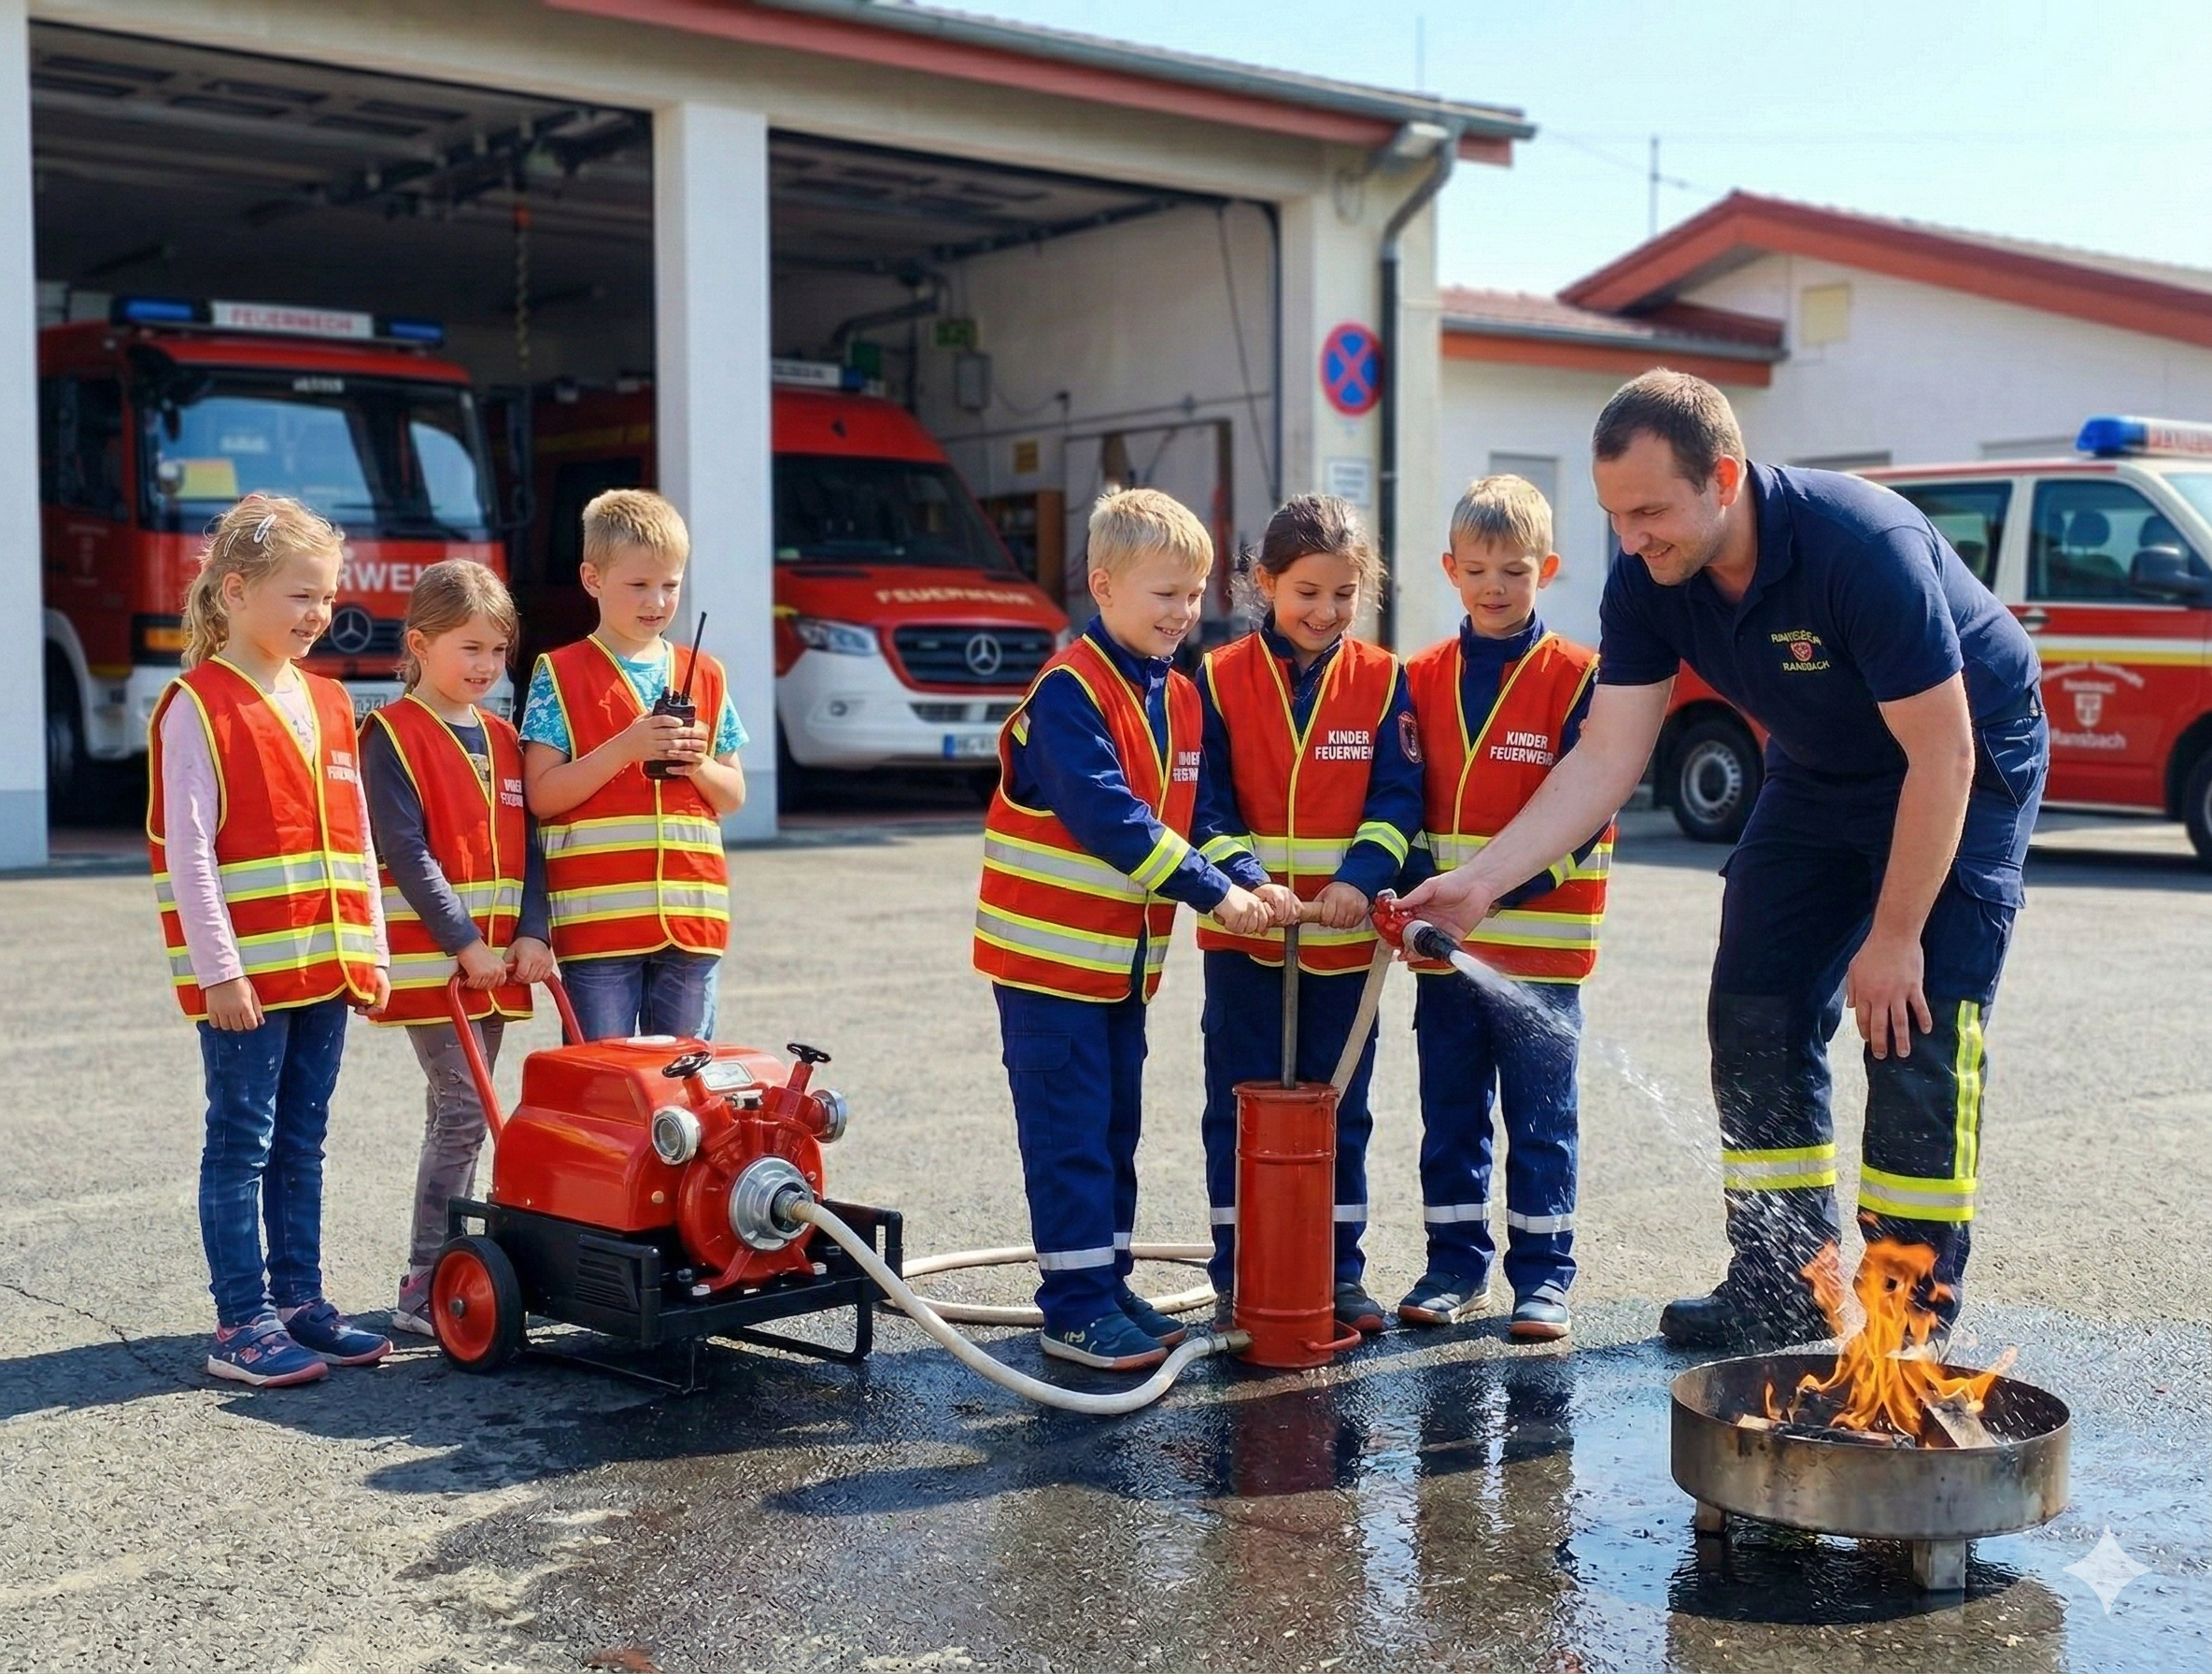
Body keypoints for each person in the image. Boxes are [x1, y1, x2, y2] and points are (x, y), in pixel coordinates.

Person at [1403, 371, 2047, 1350]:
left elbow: (1942, 753)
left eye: (1651, 511)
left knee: (1912, 1026)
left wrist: (1895, 933)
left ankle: (1904, 1325)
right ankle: (1781, 1283)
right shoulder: (1650, 576)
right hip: (1820, 768)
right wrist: (1481, 882)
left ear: (1724, 478)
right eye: (1616, 515)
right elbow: (1609, 757)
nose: (1631, 539)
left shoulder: (1860, 548)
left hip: (1966, 757)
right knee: (1753, 1010)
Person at [973, 488, 1274, 1372]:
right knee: (1068, 1142)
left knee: (1112, 1136)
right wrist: (1214, 895)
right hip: (1046, 969)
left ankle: (1105, 1285)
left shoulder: (1178, 698)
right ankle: (1072, 1308)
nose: (1184, 612)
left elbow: (1200, 809)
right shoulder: (1067, 693)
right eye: (1164, 594)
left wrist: (1248, 876)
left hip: (1117, 973)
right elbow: (1112, 820)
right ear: (1102, 588)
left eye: (1195, 593)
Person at [149, 494, 394, 1387]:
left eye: (325, 597)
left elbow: (358, 842)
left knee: (302, 1141)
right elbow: (190, 856)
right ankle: (240, 1322)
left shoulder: (330, 703)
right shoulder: (196, 706)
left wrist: (370, 953)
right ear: (235, 591)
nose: (317, 614)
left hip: (325, 974)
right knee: (241, 1142)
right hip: (247, 985)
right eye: (299, 596)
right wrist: (220, 972)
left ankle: (298, 1301)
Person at [1193, 494, 1421, 1337]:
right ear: (1265, 584)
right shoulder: (1215, 678)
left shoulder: (1384, 680)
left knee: (1340, 1114)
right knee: (1236, 1111)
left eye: (1344, 594)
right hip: (1243, 939)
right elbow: (1203, 805)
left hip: (1343, 943)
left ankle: (1339, 1272)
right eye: (1307, 593)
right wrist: (1248, 882)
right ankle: (1237, 1277)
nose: (1326, 612)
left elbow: (1400, 800)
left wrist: (1361, 878)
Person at [1397, 475, 1610, 1342]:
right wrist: (1416, 901)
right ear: (1450, 569)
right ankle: (1453, 1267)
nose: (1494, 586)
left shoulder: (1580, 679)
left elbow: (1588, 820)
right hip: (1444, 958)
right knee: (1450, 1118)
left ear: (1547, 570)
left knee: (1541, 1124)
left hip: (1542, 962)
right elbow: (1399, 802)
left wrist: (1490, 897)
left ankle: (1544, 1279)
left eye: (1514, 571)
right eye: (1478, 568)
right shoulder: (1417, 679)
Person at [361, 560, 557, 1336]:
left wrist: (533, 930)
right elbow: (407, 854)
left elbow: (533, 847)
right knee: (462, 1111)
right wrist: (467, 943)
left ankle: (463, 1261)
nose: (485, 667)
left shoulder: (505, 739)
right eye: (469, 648)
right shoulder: (391, 736)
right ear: (419, 643)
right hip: (441, 968)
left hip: (497, 968)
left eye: (497, 651)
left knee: (473, 1112)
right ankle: (424, 1275)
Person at [521, 489, 746, 1042]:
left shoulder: (707, 672)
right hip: (599, 928)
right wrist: (625, 747)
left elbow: (733, 792)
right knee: (610, 1090)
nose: (659, 601)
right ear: (592, 579)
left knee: (685, 1095)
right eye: (639, 585)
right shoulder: (560, 671)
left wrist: (696, 763)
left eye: (671, 585)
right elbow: (541, 795)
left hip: (693, 920)